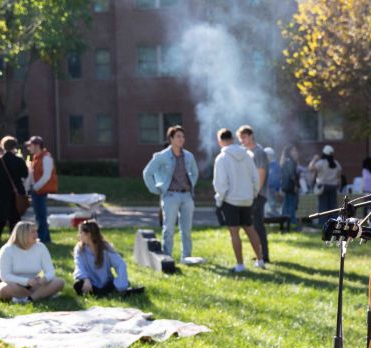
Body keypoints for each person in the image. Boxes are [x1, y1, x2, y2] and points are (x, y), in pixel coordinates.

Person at [142, 125, 199, 262]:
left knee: (186, 229)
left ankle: (187, 256)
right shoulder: (162, 156)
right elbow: (147, 172)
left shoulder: (189, 156)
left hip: (187, 196)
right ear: (171, 139)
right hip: (170, 196)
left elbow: (195, 173)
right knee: (168, 229)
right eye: (178, 136)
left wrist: (191, 186)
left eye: (183, 136)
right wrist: (155, 189)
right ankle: (167, 257)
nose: (181, 139)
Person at [213, 128, 265, 272]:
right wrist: (253, 194)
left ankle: (240, 265)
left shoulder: (221, 158)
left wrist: (219, 200)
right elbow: (255, 178)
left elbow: (221, 183)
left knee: (234, 233)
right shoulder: (247, 155)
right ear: (232, 139)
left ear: (220, 141)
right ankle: (260, 260)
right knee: (250, 228)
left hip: (231, 200)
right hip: (247, 199)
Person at [0, 221, 65, 303]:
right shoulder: (7, 249)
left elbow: (50, 271)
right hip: (13, 284)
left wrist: (44, 279)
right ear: (23, 234)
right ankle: (40, 294)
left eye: (36, 231)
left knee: (59, 282)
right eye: (33, 232)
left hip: (35, 284)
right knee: (3, 289)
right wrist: (26, 281)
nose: (36, 234)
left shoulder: (41, 247)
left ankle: (30, 299)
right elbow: (4, 276)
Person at [73, 220, 144, 297]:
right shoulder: (79, 249)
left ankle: (115, 291)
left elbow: (120, 264)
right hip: (90, 283)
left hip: (106, 284)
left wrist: (121, 284)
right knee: (78, 285)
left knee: (113, 286)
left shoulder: (105, 247)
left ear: (88, 234)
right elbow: (79, 266)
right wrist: (86, 280)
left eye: (81, 233)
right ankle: (110, 293)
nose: (79, 235)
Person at [237, 125, 270, 263]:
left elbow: (261, 173)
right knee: (252, 226)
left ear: (251, 136)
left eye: (244, 137)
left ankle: (264, 256)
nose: (242, 140)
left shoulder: (259, 152)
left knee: (258, 226)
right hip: (248, 195)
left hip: (258, 194)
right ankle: (259, 254)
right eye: (240, 138)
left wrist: (256, 193)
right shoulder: (244, 152)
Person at [0, 136, 28, 247]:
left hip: (1, 194)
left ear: (3, 146)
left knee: (0, 220)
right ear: (14, 147)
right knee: (14, 219)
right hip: (16, 194)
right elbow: (25, 174)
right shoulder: (19, 161)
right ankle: (13, 243)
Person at [26, 135, 58, 244]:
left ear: (37, 146)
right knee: (39, 215)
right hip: (37, 190)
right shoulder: (36, 157)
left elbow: (46, 176)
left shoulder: (46, 157)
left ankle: (43, 238)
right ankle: (46, 238)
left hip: (42, 191)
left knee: (41, 215)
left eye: (30, 145)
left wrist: (34, 187)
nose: (29, 148)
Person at [308, 145, 342, 225]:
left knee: (323, 207)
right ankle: (334, 224)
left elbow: (310, 168)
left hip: (322, 187)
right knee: (333, 208)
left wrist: (314, 159)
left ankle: (323, 224)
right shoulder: (336, 163)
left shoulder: (321, 163)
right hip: (333, 187)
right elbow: (339, 176)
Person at [280, 144, 300, 227]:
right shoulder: (290, 161)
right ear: (290, 152)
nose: (296, 152)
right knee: (291, 205)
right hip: (291, 187)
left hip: (286, 186)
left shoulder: (286, 161)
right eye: (294, 150)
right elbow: (292, 175)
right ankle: (292, 222)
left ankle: (285, 222)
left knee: (286, 205)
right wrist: (296, 185)